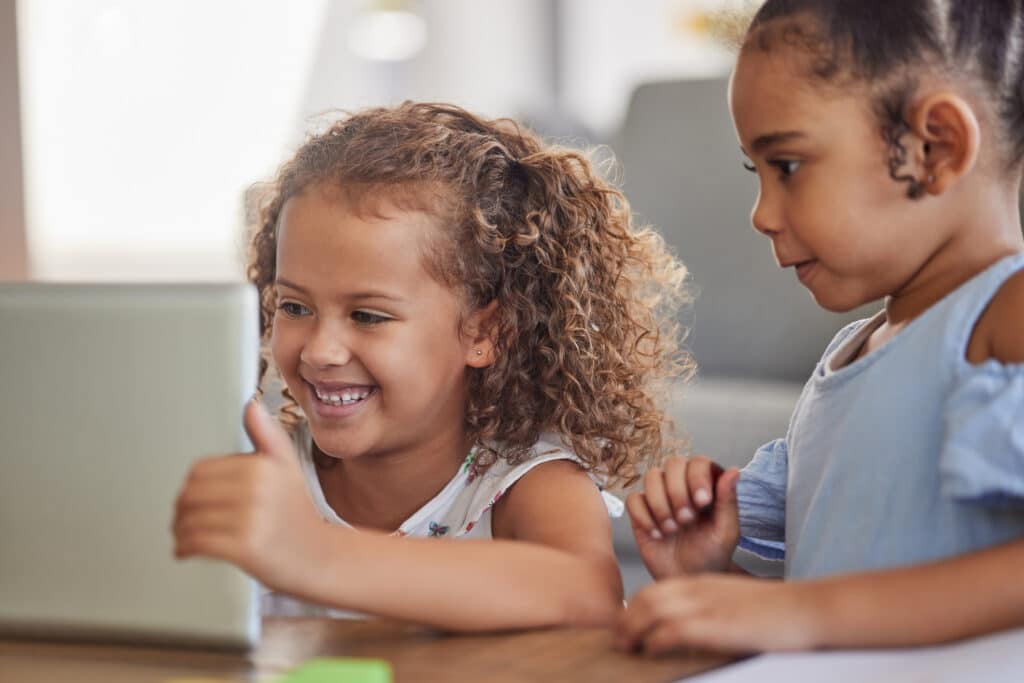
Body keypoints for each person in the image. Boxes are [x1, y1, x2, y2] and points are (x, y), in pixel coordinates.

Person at [172, 102, 691, 631]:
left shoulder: (523, 485)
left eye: (368, 316)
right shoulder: (269, 475)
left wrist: (316, 554)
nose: (320, 351)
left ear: (485, 332)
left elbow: (586, 593)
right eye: (294, 307)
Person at [619, 0, 1024, 654]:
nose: (760, 214)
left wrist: (806, 612)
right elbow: (842, 596)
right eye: (758, 172)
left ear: (934, 147)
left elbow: (828, 609)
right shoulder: (851, 355)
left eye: (787, 165)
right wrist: (716, 579)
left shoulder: (1007, 311)